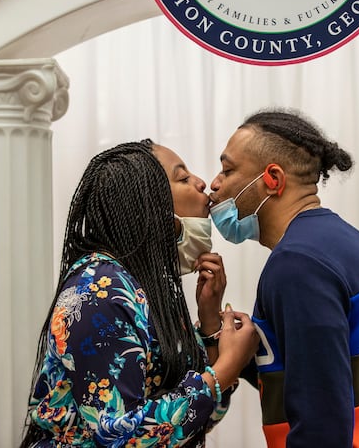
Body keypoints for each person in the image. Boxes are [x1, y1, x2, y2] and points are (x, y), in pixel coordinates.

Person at [20, 139, 259, 447]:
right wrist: (227, 368)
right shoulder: (98, 291)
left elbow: (197, 419)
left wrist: (210, 321)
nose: (202, 183)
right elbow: (119, 435)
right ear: (149, 205)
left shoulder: (144, 286)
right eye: (183, 178)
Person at [209, 109, 359, 448]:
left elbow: (321, 424)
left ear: (273, 179)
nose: (214, 184)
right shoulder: (347, 244)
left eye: (228, 169)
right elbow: (322, 376)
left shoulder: (296, 264)